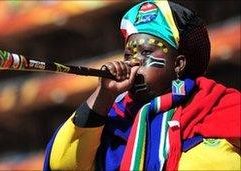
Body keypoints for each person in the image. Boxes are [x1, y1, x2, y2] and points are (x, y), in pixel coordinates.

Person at [43, 0, 241, 170]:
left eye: (146, 53)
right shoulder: (112, 120)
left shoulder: (218, 105)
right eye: (128, 55)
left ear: (178, 64)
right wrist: (103, 94)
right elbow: (63, 164)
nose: (133, 63)